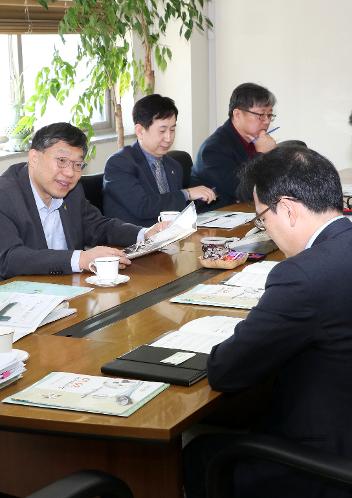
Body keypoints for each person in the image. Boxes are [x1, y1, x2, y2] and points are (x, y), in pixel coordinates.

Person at [183, 146, 352, 498]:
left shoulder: (302, 276)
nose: (266, 228)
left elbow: (227, 371)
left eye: (262, 218)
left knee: (199, 453)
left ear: (287, 209)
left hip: (326, 462)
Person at [0, 122, 166, 280]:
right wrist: (81, 259)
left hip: (70, 289)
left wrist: (144, 234)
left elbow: (98, 226)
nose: (70, 173)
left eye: (78, 164)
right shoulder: (5, 195)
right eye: (62, 161)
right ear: (34, 158)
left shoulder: (71, 190)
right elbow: (9, 258)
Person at [103, 94, 216, 225]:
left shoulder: (174, 165)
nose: (168, 138)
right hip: (132, 241)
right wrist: (187, 194)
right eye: (162, 131)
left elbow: (173, 206)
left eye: (172, 130)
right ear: (140, 131)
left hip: (170, 239)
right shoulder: (120, 164)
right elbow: (143, 207)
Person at [190, 82, 277, 209]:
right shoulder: (213, 149)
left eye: (269, 115)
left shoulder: (256, 141)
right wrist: (262, 155)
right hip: (216, 221)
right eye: (261, 115)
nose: (267, 121)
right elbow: (243, 192)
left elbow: (275, 183)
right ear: (237, 114)